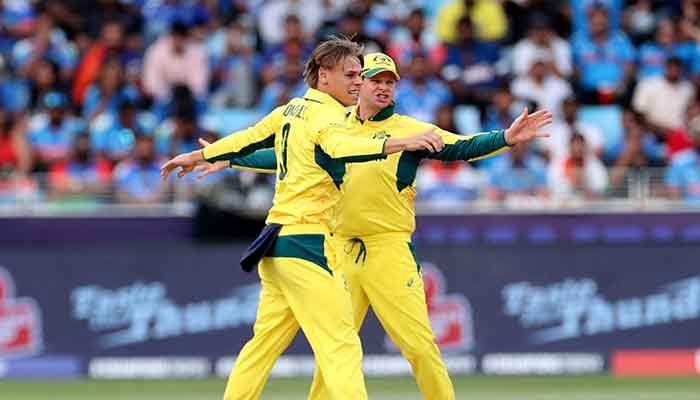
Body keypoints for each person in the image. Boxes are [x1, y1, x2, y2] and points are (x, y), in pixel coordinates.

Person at [191, 52, 552, 400]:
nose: (382, 88)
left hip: (388, 251)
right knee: (333, 352)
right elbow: (292, 156)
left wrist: (505, 138)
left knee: (419, 348)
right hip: (339, 249)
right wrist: (233, 159)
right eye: (373, 80)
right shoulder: (334, 123)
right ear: (358, 83)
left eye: (389, 82)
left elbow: (461, 147)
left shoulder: (411, 130)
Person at [160, 39, 444, 400]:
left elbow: (249, 140)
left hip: (276, 244)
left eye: (360, 75)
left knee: (261, 348)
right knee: (341, 348)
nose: (359, 82)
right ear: (324, 76)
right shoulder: (329, 118)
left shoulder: (291, 110)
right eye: (351, 75)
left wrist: (201, 154)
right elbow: (342, 149)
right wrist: (398, 143)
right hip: (309, 245)